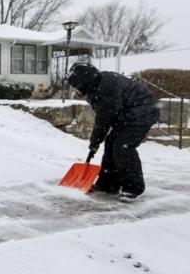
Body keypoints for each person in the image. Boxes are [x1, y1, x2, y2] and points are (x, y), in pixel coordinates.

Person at [67, 62, 160, 202]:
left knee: (123, 145)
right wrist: (96, 143)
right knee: (111, 143)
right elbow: (105, 116)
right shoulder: (96, 85)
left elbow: (103, 120)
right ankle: (108, 184)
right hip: (126, 114)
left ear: (84, 82)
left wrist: (94, 143)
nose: (75, 90)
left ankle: (133, 187)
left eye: (76, 86)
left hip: (144, 112)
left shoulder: (105, 89)